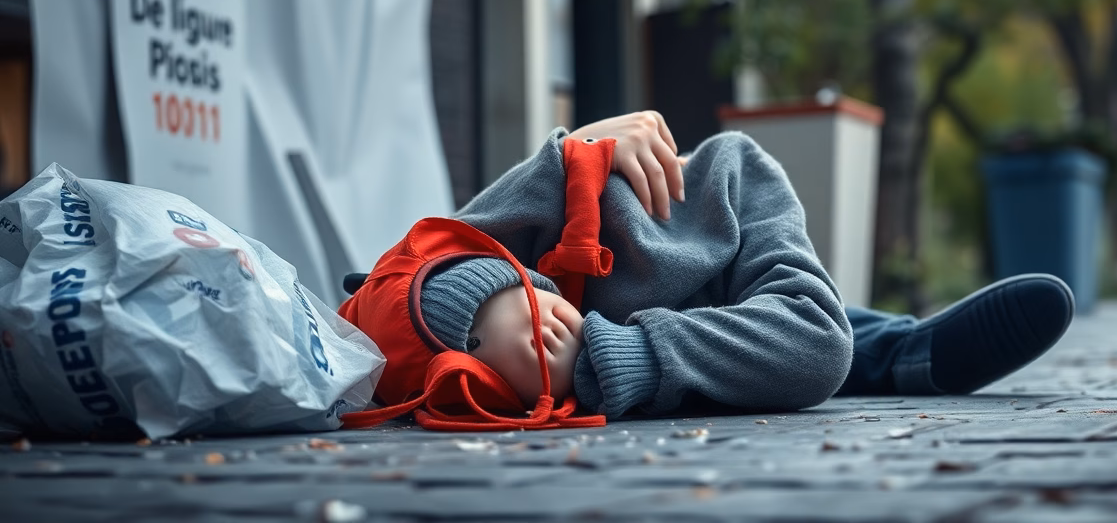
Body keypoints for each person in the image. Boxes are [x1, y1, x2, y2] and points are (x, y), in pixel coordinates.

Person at [344, 112, 1074, 422]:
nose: (522, 355)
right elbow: (376, 305)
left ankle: (902, 350)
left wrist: (608, 359)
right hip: (737, 308)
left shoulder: (734, 175)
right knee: (814, 333)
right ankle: (906, 351)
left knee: (822, 331)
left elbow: (815, 343)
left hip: (736, 250)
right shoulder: (469, 278)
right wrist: (485, 313)